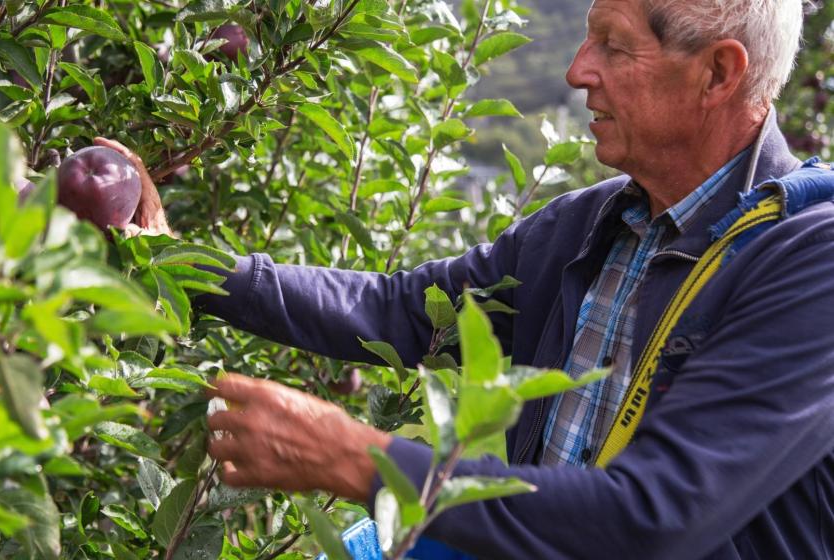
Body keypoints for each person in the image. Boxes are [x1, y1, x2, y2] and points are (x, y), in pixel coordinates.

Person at [104, 0, 834, 557]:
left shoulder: (808, 263)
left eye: (614, 46)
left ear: (718, 72)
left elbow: (659, 517)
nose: (579, 70)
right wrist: (181, 264)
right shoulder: (591, 228)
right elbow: (402, 311)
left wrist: (361, 459)